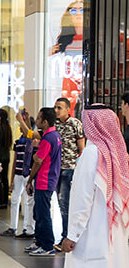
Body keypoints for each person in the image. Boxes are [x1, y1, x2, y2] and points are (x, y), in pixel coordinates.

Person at [51, 105, 129, 268]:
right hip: (113, 238)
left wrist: (71, 235)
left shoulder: (92, 153)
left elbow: (83, 198)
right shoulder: (116, 152)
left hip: (91, 236)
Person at [25, 107, 61, 257]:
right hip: (47, 179)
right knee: (38, 212)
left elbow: (38, 160)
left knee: (43, 214)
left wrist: (30, 180)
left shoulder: (47, 138)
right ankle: (39, 241)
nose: (37, 121)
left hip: (44, 180)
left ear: (45, 122)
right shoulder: (54, 135)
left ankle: (47, 245)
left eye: (39, 119)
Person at [53, 97, 85, 248]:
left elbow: (81, 147)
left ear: (67, 109)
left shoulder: (75, 124)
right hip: (56, 168)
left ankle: (66, 236)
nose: (56, 110)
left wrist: (80, 166)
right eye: (55, 107)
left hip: (69, 168)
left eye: (59, 108)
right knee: (60, 203)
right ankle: (65, 234)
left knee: (65, 202)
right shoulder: (55, 124)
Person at [1, 124, 36, 239]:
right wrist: (11, 179)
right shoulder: (18, 142)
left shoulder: (33, 142)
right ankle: (13, 227)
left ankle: (27, 227)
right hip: (18, 174)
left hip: (28, 175)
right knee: (15, 200)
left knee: (27, 201)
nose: (20, 127)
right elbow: (15, 160)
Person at [0, 108, 14, 209]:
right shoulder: (8, 128)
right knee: (5, 179)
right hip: (6, 157)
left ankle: (1, 201)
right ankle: (5, 200)